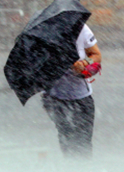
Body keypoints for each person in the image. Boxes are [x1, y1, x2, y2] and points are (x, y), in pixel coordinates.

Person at [42, 24, 102, 158]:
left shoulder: (82, 29)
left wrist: (85, 63)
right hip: (56, 97)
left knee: (84, 140)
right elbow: (39, 62)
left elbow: (96, 54)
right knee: (67, 137)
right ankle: (71, 171)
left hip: (81, 96)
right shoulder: (46, 32)